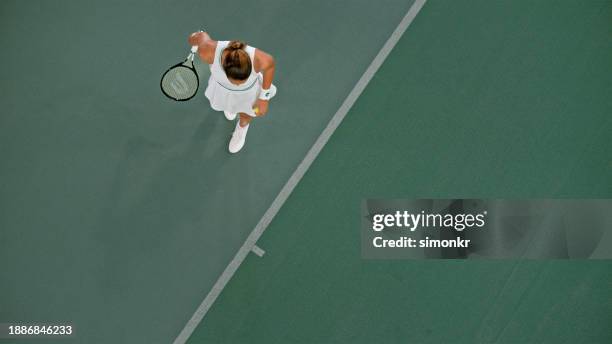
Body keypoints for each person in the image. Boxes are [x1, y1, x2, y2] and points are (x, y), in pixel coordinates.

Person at [188, 31, 277, 153]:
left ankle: (242, 127)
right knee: (228, 105)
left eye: (242, 80)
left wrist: (263, 98)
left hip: (249, 94)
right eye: (235, 81)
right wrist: (197, 38)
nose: (239, 84)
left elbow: (270, 67)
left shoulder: (260, 58)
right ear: (225, 67)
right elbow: (194, 39)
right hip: (222, 91)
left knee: (247, 113)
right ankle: (231, 108)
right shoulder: (207, 52)